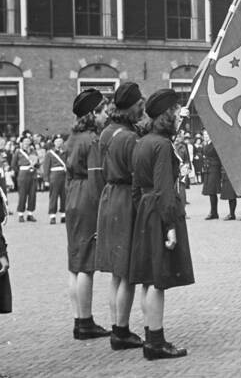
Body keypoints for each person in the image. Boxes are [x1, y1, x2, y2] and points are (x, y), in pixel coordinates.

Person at [129, 89, 193, 359]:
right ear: (166, 115)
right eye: (175, 112)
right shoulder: (162, 145)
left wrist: (142, 212)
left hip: (145, 209)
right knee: (158, 281)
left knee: (147, 279)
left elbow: (135, 188)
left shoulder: (143, 141)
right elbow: (165, 188)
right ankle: (156, 342)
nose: (178, 115)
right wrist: (169, 226)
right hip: (159, 211)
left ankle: (149, 336)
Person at [94, 82, 145, 350]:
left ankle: (116, 324)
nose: (142, 109)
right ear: (131, 106)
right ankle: (122, 332)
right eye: (140, 105)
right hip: (126, 200)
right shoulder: (130, 138)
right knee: (127, 272)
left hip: (109, 197)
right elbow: (139, 174)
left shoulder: (107, 132)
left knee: (116, 271)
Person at [65, 88, 110, 340]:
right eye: (103, 111)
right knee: (86, 265)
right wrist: (102, 211)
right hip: (86, 200)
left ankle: (78, 319)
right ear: (93, 113)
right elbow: (96, 180)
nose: (105, 116)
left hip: (72, 196)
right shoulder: (93, 139)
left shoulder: (72, 138)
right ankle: (86, 322)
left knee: (74, 263)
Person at [11, 137, 38, 222]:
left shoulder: (33, 151)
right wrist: (20, 171)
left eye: (28, 141)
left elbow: (37, 163)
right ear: (21, 143)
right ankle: (21, 214)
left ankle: (30, 214)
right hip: (23, 174)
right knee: (22, 194)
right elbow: (13, 164)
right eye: (25, 141)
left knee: (32, 194)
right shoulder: (18, 152)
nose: (27, 143)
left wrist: (35, 166)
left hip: (32, 173)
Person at [43, 136, 68, 225]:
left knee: (64, 195)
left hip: (64, 175)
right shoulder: (50, 153)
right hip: (54, 176)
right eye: (57, 141)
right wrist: (46, 179)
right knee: (53, 195)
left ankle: (63, 215)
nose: (59, 143)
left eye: (60, 141)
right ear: (54, 143)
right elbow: (46, 167)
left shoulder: (65, 152)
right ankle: (52, 216)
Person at [201, 131, 221, 220]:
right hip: (208, 169)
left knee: (212, 191)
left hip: (214, 168)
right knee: (210, 192)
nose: (205, 136)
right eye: (204, 135)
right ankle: (213, 212)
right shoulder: (206, 145)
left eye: (207, 135)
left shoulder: (215, 144)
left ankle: (214, 212)